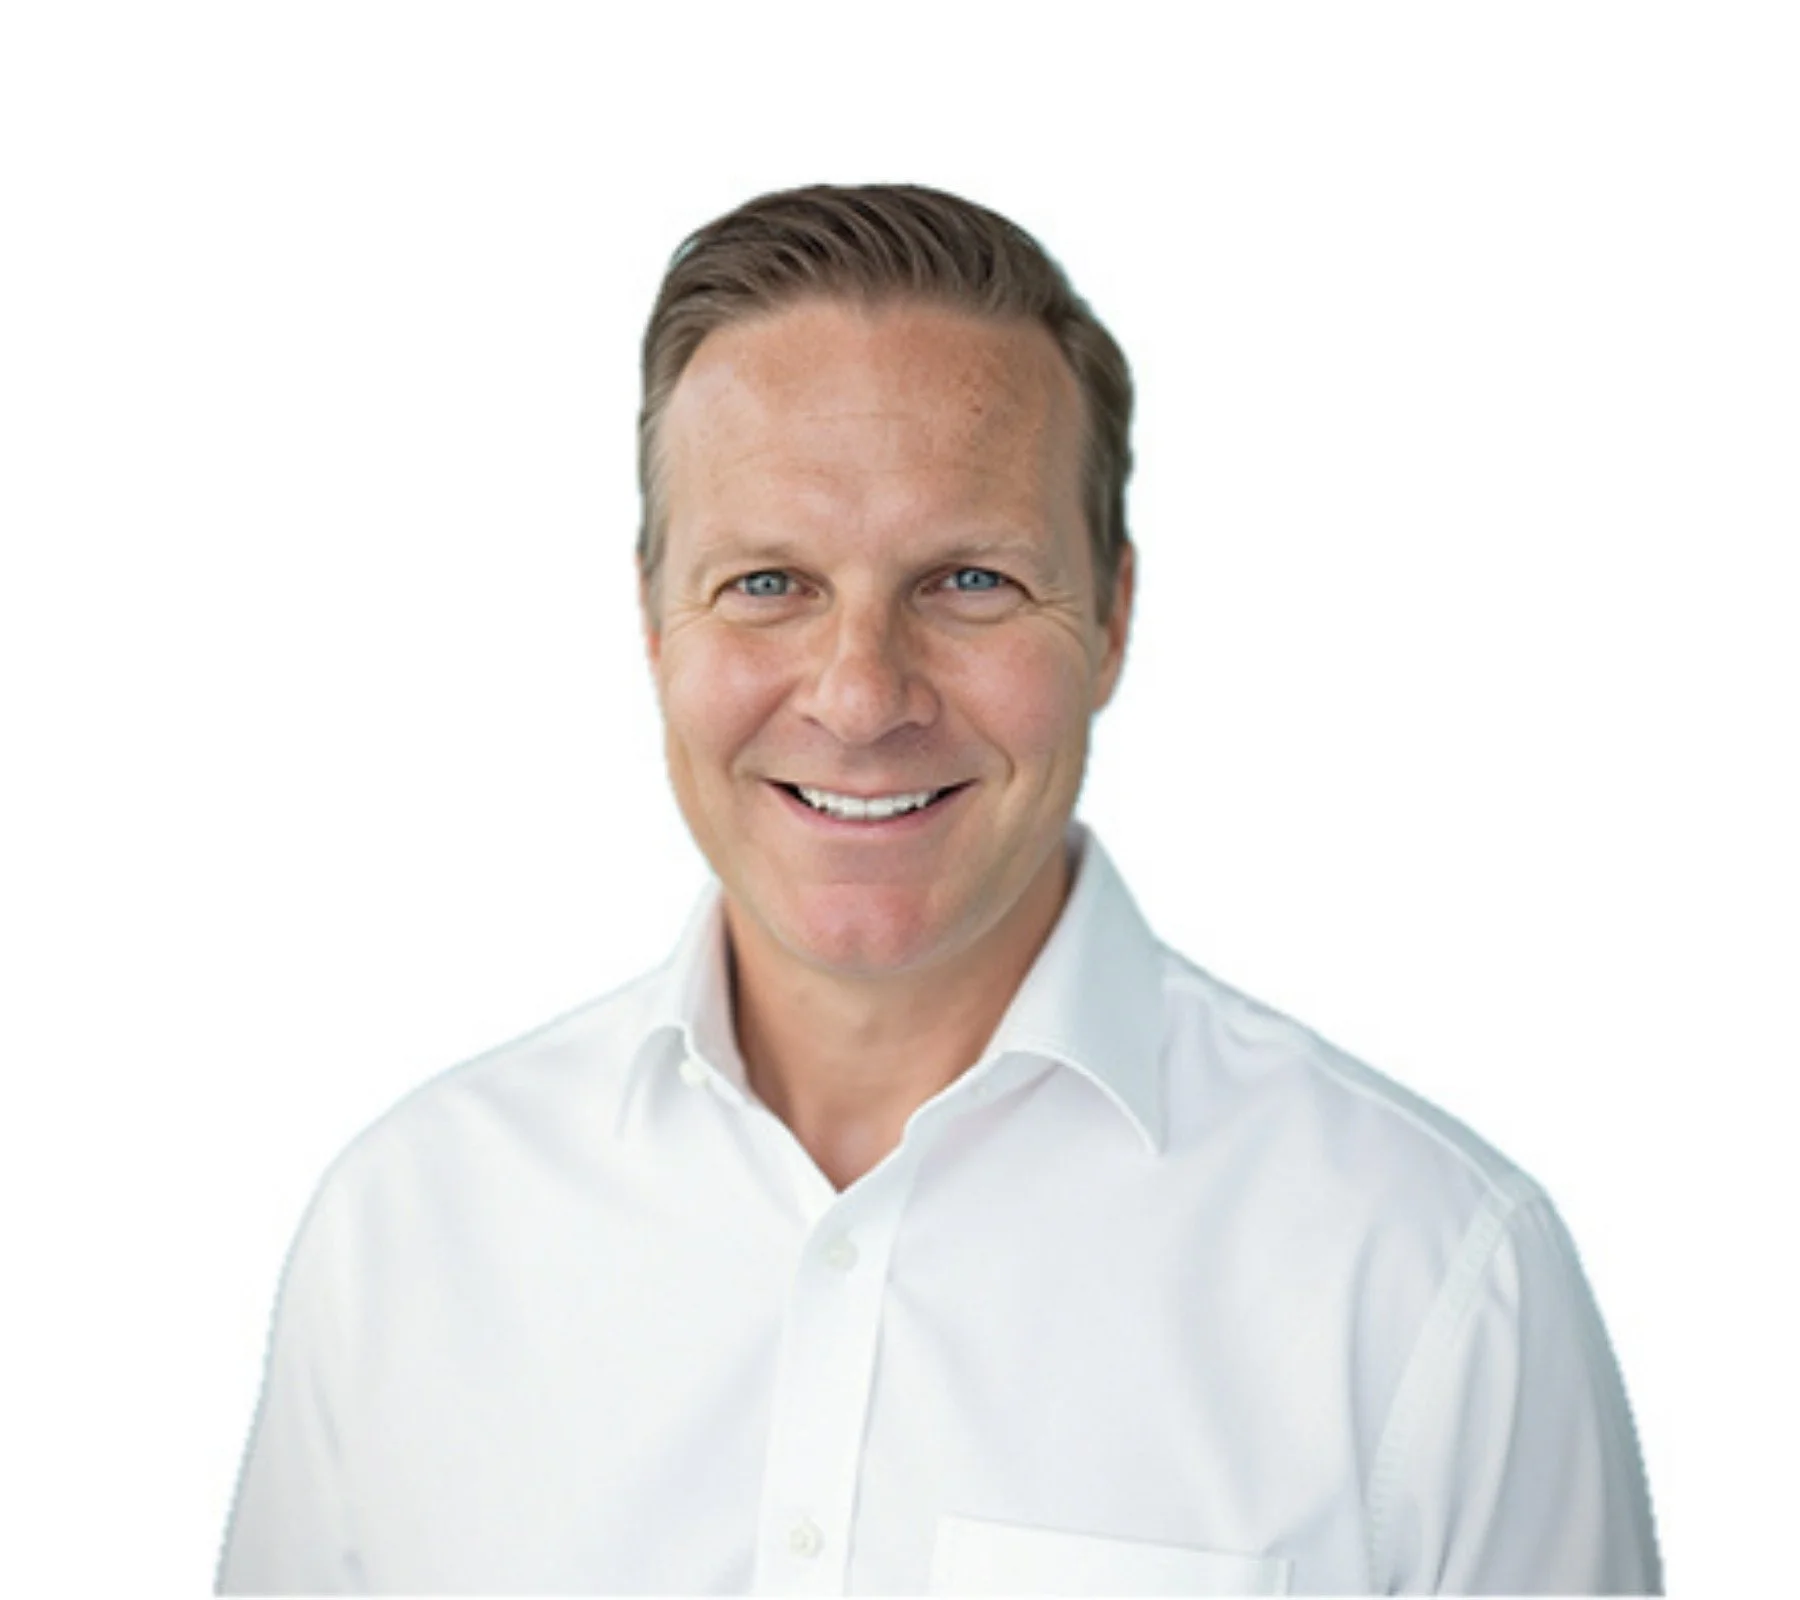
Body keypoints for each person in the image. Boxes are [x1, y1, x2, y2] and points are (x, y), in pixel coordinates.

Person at [217, 183, 1661, 1595]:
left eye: (968, 581)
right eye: (769, 582)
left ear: (1111, 620)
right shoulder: (402, 1235)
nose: (860, 697)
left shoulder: (1426, 1279)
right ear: (652, 623)